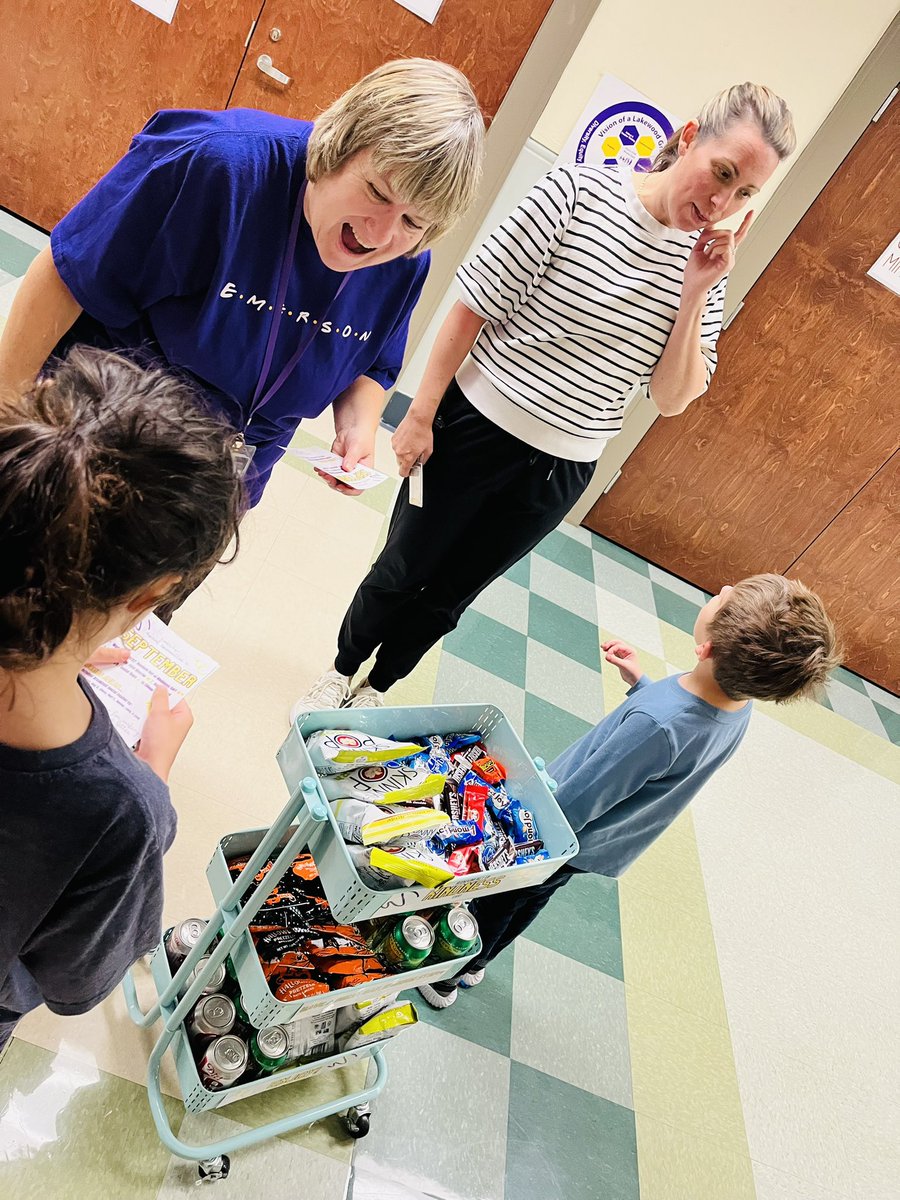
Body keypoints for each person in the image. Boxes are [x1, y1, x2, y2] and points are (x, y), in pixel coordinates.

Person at [293, 82, 797, 714]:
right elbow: (470, 308)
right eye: (721, 173)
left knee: (451, 595)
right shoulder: (577, 194)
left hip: (564, 467)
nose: (722, 201)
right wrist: (419, 414)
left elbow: (671, 399)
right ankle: (340, 669)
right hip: (472, 427)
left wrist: (696, 289)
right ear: (690, 138)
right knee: (401, 566)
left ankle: (377, 687)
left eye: (744, 192)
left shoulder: (709, 269)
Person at [0, 59, 484, 517]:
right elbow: (68, 273)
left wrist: (357, 430)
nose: (379, 235)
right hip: (98, 447)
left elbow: (370, 364)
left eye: (412, 221)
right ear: (338, 145)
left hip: (215, 491)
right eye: (378, 192)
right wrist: (8, 414)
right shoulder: (219, 165)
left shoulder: (404, 263)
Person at [416, 573, 841, 1009]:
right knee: (534, 897)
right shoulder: (735, 702)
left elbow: (585, 797)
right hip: (603, 842)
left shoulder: (658, 726)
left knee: (506, 897)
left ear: (706, 648)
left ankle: (456, 971)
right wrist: (642, 684)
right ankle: (481, 960)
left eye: (720, 599)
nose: (724, 589)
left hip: (563, 832)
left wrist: (530, 833)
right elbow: (682, 727)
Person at [0, 347, 244, 1051]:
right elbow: (75, 983)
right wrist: (155, 781)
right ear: (148, 597)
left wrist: (59, 651)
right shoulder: (117, 812)